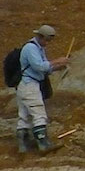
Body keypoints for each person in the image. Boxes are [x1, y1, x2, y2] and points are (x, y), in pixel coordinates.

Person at [16, 24, 69, 152]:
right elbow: (39, 66)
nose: (47, 43)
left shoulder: (38, 48)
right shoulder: (30, 48)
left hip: (26, 85)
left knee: (24, 115)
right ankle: (43, 144)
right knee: (38, 112)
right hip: (30, 85)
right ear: (40, 36)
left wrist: (58, 67)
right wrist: (58, 61)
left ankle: (23, 145)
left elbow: (45, 69)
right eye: (47, 40)